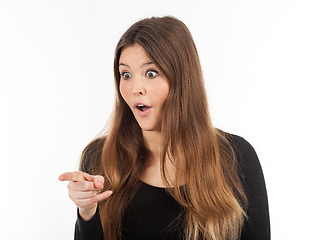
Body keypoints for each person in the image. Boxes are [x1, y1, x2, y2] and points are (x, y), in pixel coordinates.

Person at [59, 16, 270, 240]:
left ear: (182, 79)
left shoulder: (237, 156)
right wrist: (87, 212)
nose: (135, 88)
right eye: (126, 75)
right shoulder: (99, 158)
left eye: (151, 73)